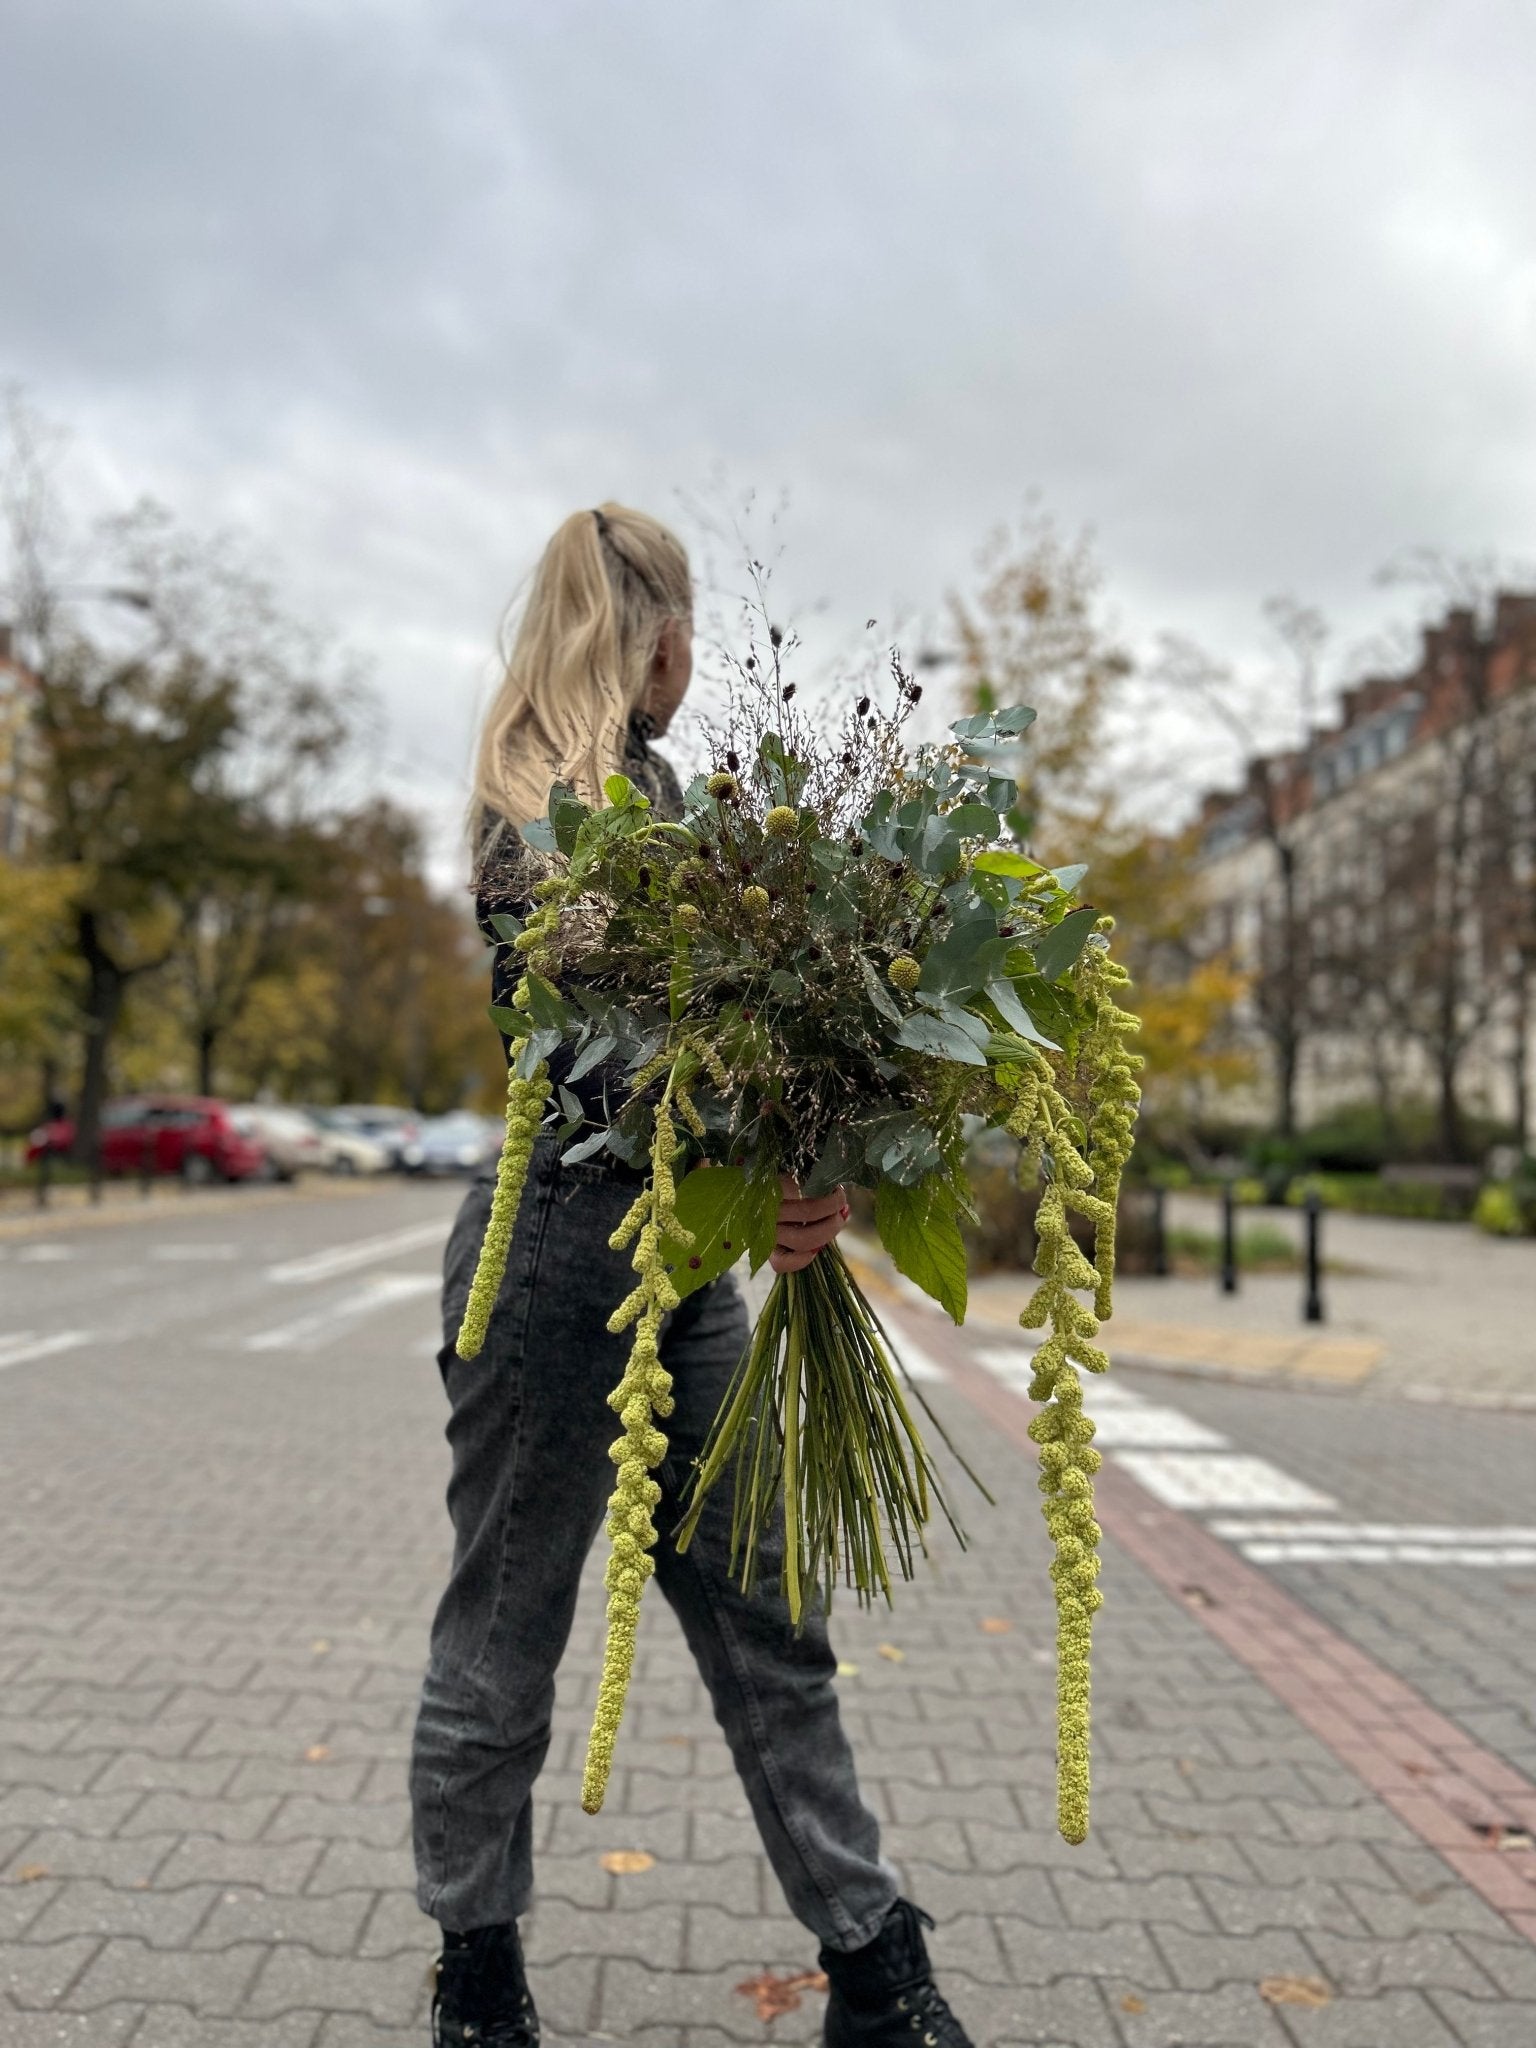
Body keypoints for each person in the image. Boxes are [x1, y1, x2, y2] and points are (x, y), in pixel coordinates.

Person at [410, 503, 974, 2048]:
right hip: (548, 1256)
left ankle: (873, 1963)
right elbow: (611, 1031)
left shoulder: (671, 794)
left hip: (688, 1261)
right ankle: (476, 1974)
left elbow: (732, 1046)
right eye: (691, 624)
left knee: (765, 1616)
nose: (701, 654)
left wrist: (807, 1161)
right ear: (644, 632)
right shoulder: (527, 801)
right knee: (507, 1637)